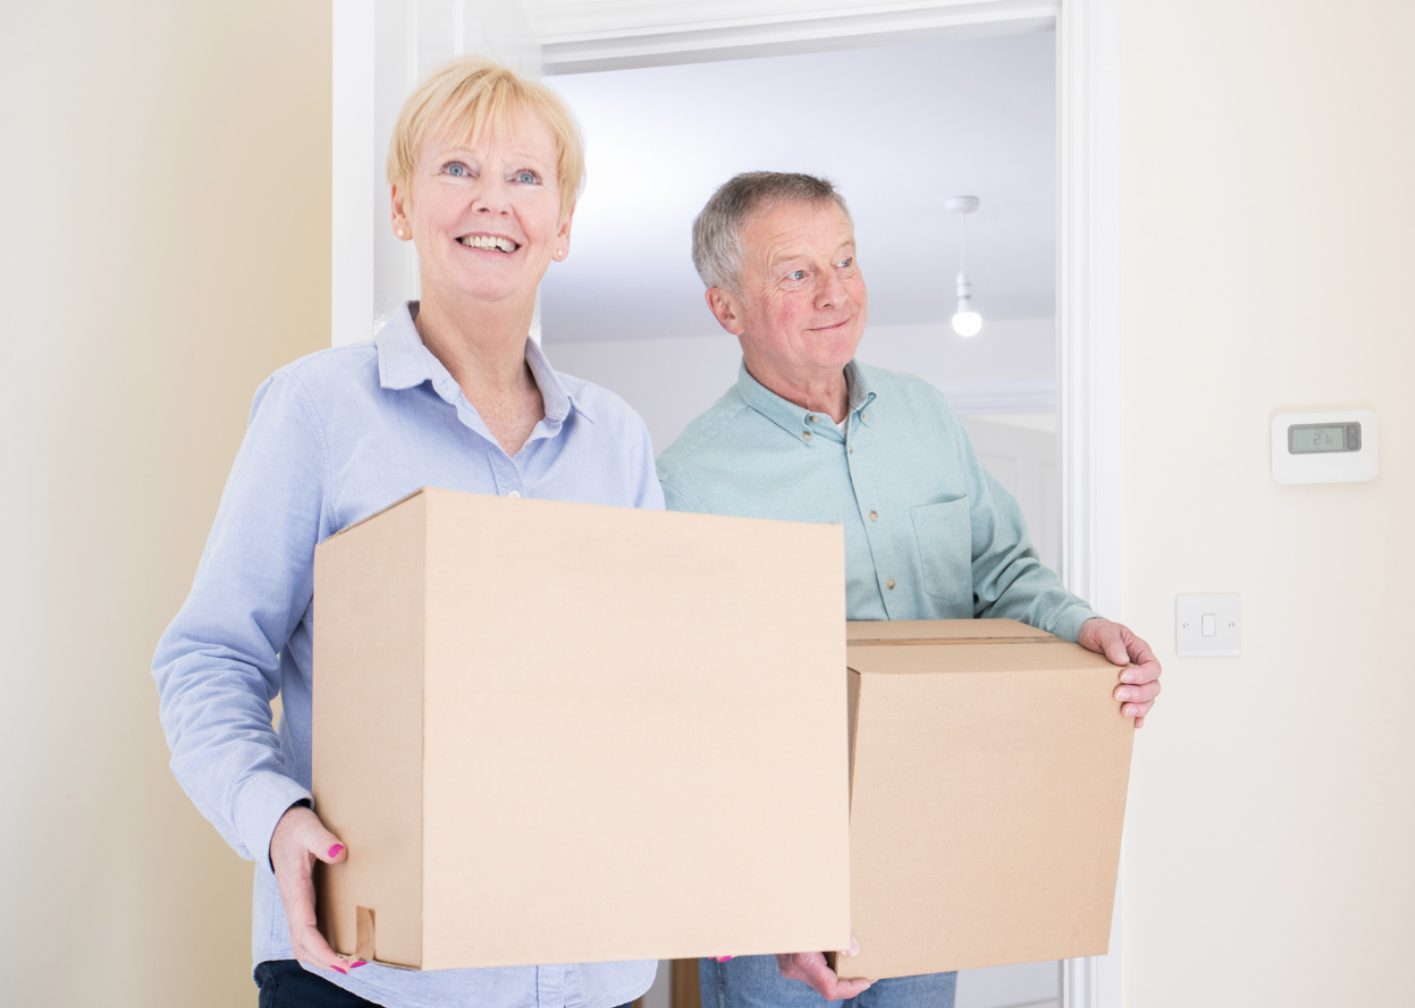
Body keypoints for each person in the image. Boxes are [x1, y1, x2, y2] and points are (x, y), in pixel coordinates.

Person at [153, 57, 660, 1008]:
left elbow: (653, 691)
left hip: (590, 968)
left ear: (563, 224)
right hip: (372, 974)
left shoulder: (617, 439)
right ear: (400, 206)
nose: (492, 201)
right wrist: (276, 818)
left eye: (525, 177)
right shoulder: (317, 409)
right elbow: (209, 658)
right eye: (457, 169)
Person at [658, 171, 1164, 1008]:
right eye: (796, 273)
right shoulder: (687, 479)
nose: (837, 293)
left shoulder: (926, 417)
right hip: (784, 885)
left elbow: (1000, 573)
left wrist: (1084, 628)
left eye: (847, 261)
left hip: (933, 843)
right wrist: (765, 902)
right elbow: (690, 711)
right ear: (727, 309)